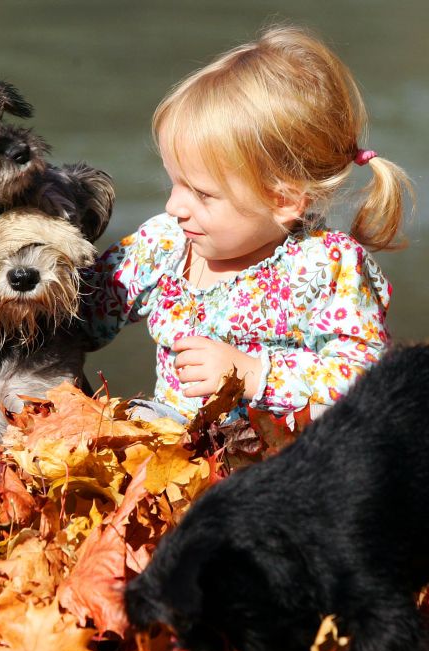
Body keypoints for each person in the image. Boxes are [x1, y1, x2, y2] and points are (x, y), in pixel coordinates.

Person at [82, 25, 413, 424]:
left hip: (274, 459)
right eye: (174, 182)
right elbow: (79, 317)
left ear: (283, 200)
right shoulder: (163, 245)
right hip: (171, 442)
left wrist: (255, 374)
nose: (174, 206)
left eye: (202, 194)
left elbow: (366, 378)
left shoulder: (323, 266)